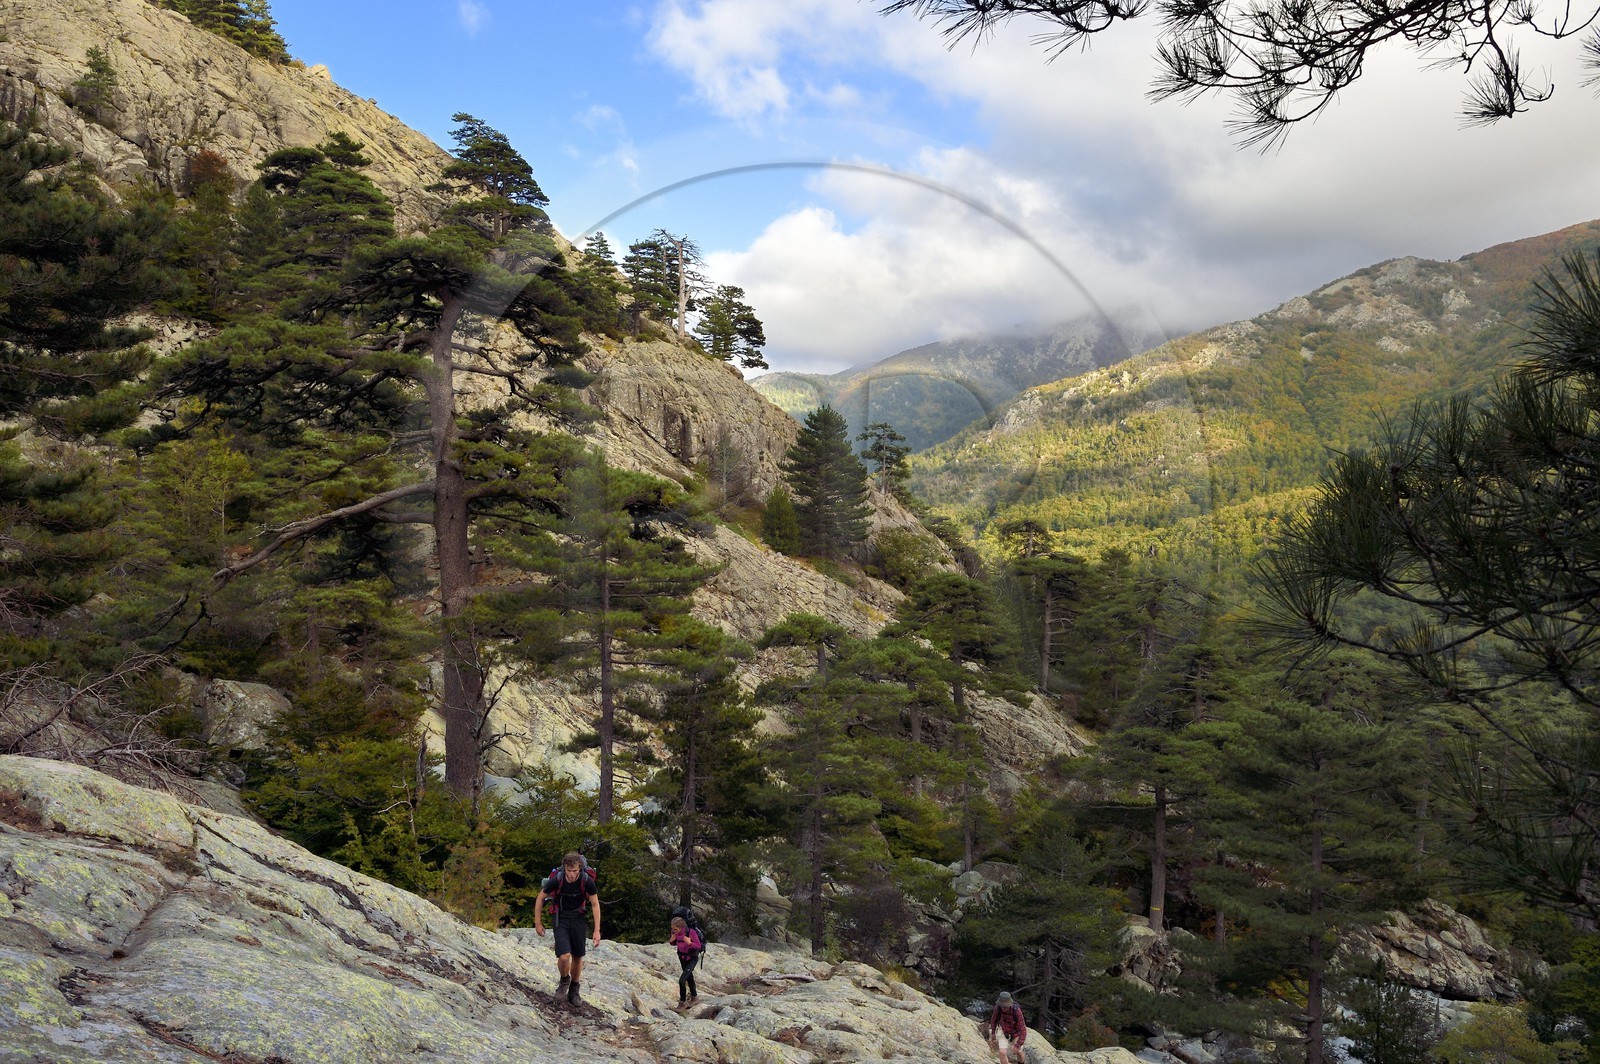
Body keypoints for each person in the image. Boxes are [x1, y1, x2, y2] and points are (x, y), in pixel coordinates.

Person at [533, 852, 600, 1007]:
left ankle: (574, 990)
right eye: (569, 871)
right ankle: (564, 982)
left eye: (575, 871)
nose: (571, 874)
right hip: (560, 917)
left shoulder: (586, 881)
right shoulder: (558, 879)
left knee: (577, 956)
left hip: (578, 917)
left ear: (580, 869)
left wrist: (597, 930)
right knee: (564, 956)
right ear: (565, 868)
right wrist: (538, 923)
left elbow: (595, 905)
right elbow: (540, 897)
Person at [668, 915, 703, 1007]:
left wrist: (690, 943)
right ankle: (694, 997)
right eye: (672, 929)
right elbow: (675, 942)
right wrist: (672, 941)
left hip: (692, 958)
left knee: (682, 981)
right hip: (682, 957)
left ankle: (682, 1003)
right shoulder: (675, 933)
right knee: (689, 977)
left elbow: (698, 946)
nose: (673, 931)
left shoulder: (690, 933)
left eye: (675, 929)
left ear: (681, 927)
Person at [986, 991, 1027, 1063]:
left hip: (1016, 1032)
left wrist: (1018, 1045)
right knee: (1002, 1052)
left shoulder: (1016, 1011)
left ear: (1010, 1004)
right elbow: (993, 1020)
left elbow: (1023, 1030)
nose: (1003, 1008)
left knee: (1019, 1052)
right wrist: (993, 1033)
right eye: (1002, 1006)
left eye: (1005, 1007)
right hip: (1003, 1030)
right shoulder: (997, 1008)